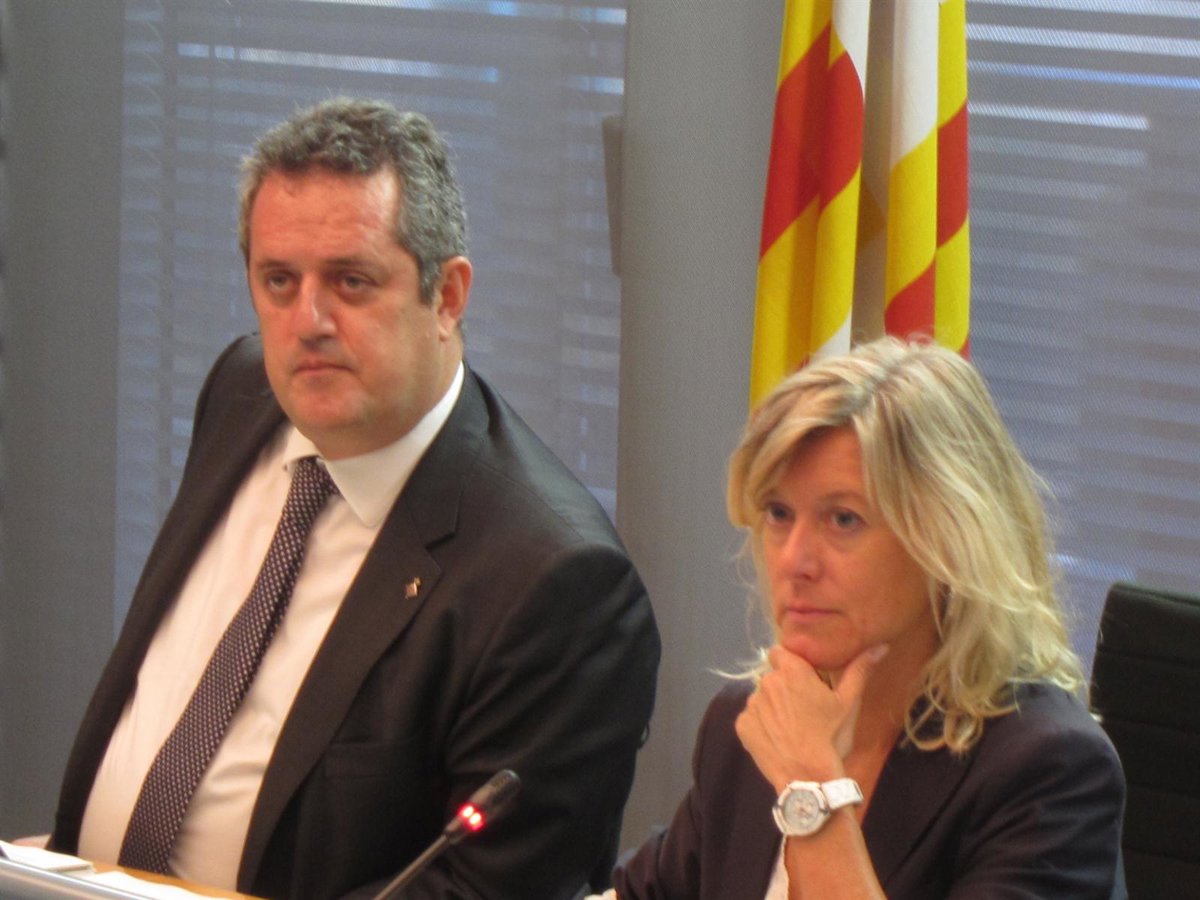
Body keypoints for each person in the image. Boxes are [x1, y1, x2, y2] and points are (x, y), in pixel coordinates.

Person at [48, 98, 660, 900]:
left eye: (351, 281)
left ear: (448, 297)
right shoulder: (242, 393)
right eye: (278, 281)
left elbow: (488, 891)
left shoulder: (557, 582)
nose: (307, 322)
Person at [601, 337, 1126, 899]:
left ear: (948, 544)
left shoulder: (1046, 770)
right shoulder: (751, 725)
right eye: (779, 513)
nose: (795, 561)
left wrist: (812, 789)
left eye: (844, 519)